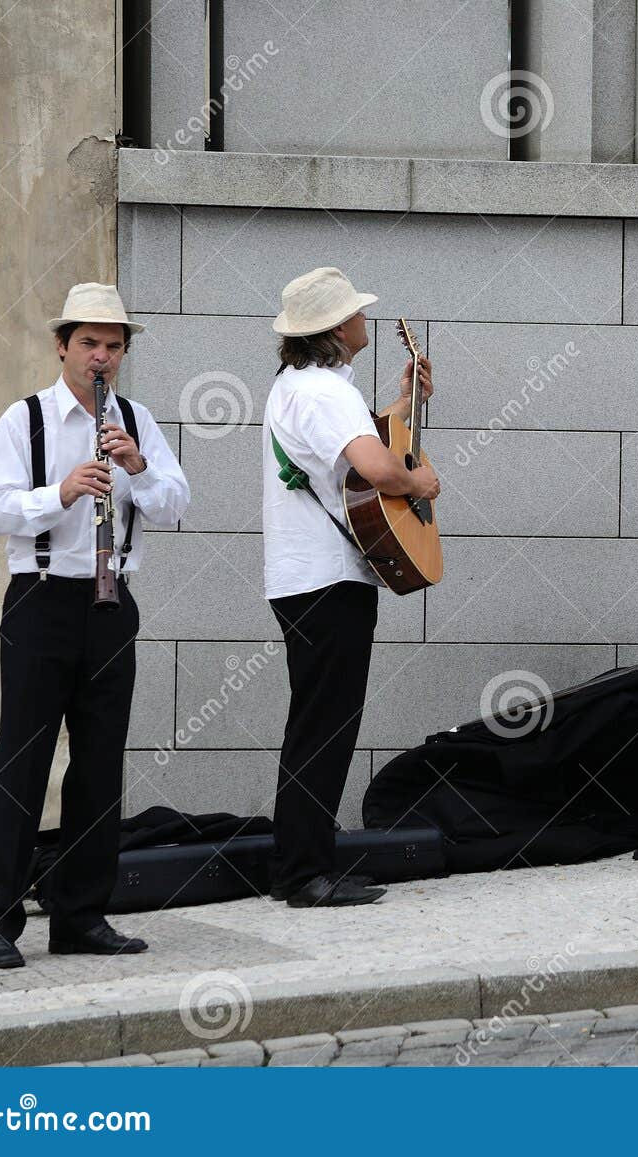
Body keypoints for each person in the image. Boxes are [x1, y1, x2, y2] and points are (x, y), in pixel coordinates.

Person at [0, 283, 190, 968]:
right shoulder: (24, 419)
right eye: (89, 342)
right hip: (39, 601)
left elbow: (177, 505)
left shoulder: (136, 420)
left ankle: (81, 916)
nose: (102, 356)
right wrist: (60, 492)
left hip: (109, 602)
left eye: (113, 345)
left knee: (99, 765)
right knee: (22, 760)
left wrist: (137, 466)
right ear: (62, 345)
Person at [261, 267, 438, 906]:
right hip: (327, 578)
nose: (366, 319)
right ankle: (306, 873)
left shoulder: (302, 386)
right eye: (358, 313)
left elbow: (357, 444)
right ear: (340, 328)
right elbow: (376, 467)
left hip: (304, 577)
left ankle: (301, 864)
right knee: (325, 727)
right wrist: (417, 484)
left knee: (317, 722)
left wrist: (401, 405)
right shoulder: (323, 392)